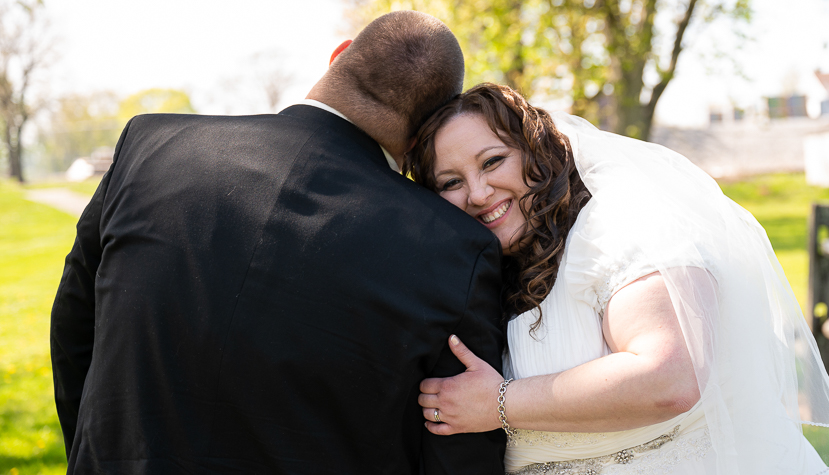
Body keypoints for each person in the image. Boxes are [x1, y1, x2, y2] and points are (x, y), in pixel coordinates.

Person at [49, 12, 507, 474]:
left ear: (338, 56)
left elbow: (74, 326)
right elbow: (459, 444)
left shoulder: (150, 145)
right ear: (422, 135)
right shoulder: (456, 249)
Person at [406, 83, 829, 474]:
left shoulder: (621, 222)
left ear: (534, 151)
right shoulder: (497, 266)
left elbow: (670, 377)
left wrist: (499, 403)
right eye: (450, 183)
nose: (478, 194)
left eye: (492, 161)